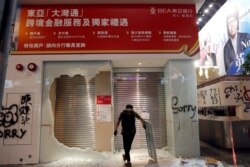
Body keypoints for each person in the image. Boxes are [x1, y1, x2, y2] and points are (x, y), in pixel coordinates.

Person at [223, 5, 250, 74]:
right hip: (236, 81)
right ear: (227, 26)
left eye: (233, 21)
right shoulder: (226, 48)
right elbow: (228, 70)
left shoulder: (246, 37)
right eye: (229, 23)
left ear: (237, 22)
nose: (232, 25)